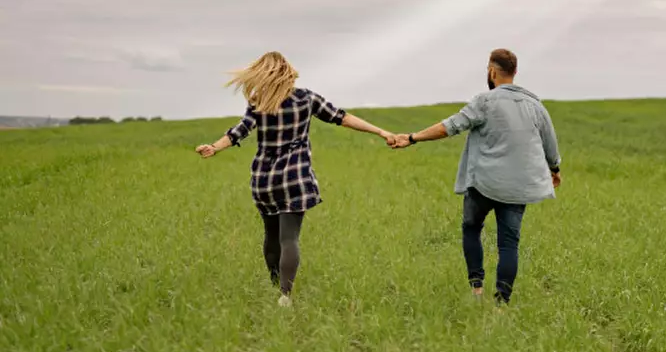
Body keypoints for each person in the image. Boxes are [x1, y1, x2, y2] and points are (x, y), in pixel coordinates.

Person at [195, 51, 395, 307]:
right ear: (288, 72)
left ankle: (275, 286)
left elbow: (239, 131)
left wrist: (214, 146)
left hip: (264, 180)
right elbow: (341, 117)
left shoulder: (258, 102)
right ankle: (285, 296)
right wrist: (380, 131)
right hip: (295, 178)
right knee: (289, 238)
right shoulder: (306, 99)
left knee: (271, 235)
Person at [391, 48, 561, 306]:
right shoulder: (535, 106)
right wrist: (555, 169)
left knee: (471, 228)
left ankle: (477, 289)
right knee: (508, 244)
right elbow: (550, 145)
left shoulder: (485, 101)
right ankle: (502, 304)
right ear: (514, 73)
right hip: (517, 188)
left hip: (483, 184)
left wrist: (413, 138)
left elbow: (450, 126)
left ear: (492, 71)